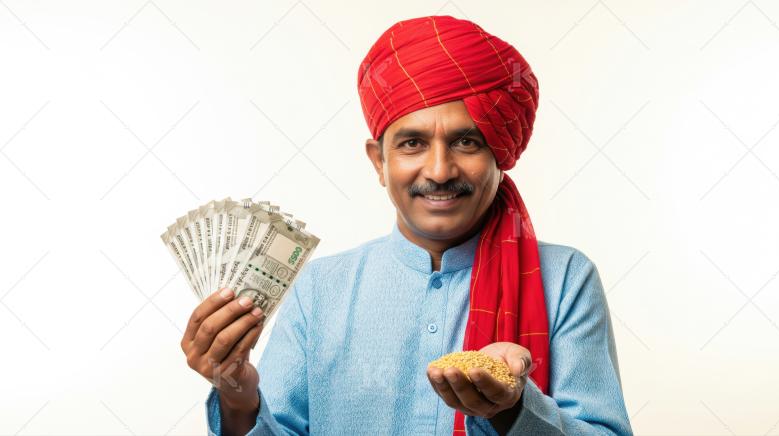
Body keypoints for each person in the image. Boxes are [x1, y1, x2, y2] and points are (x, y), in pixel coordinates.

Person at [181, 15, 633, 436]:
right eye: (412, 143)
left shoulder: (565, 279)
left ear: (502, 154)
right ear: (379, 162)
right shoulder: (321, 290)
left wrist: (513, 406)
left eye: (466, 141)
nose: (439, 170)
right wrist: (236, 390)